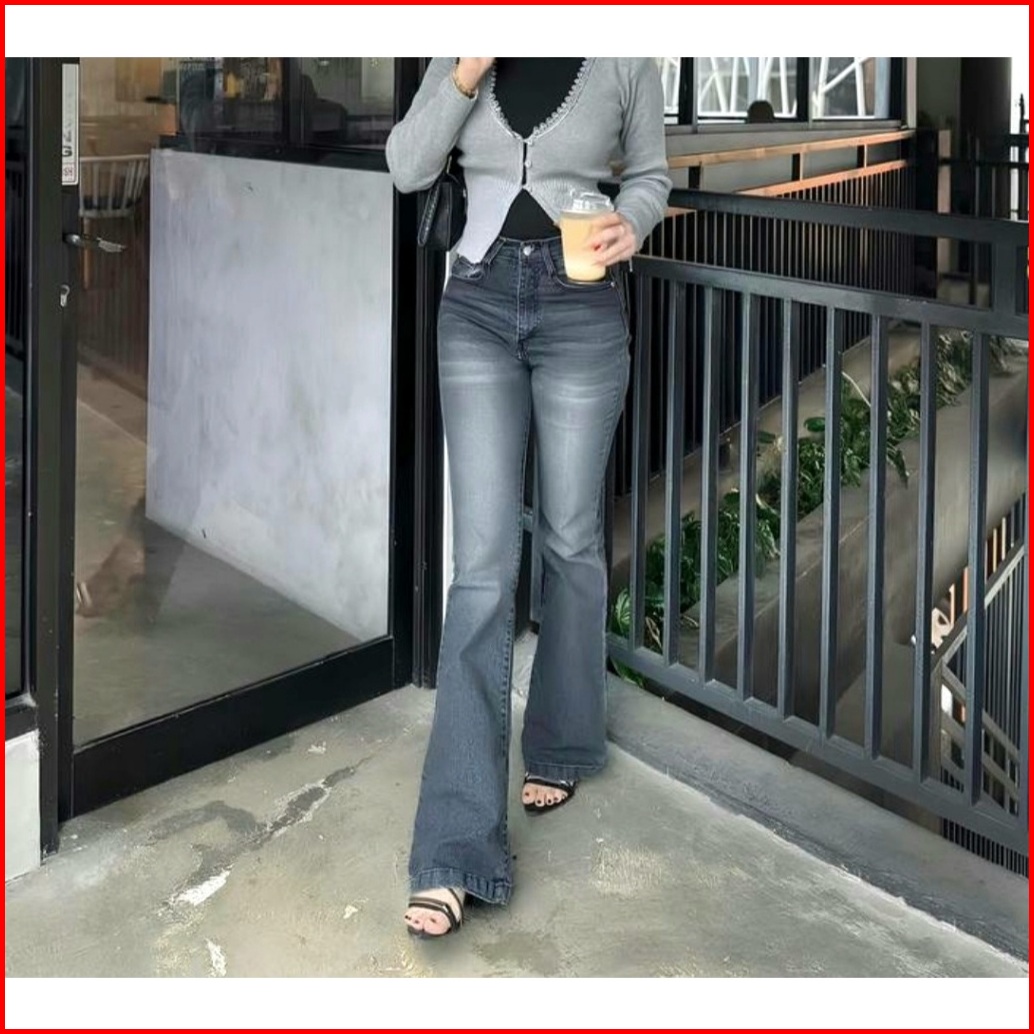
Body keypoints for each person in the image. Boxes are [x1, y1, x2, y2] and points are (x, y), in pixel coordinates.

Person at [386, 57, 671, 938]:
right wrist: (465, 71)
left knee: (571, 540)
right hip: (475, 303)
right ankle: (453, 850)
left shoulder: (625, 55)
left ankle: (562, 738)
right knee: (481, 571)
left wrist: (631, 222)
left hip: (581, 307)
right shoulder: (462, 44)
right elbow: (407, 166)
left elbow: (651, 174)